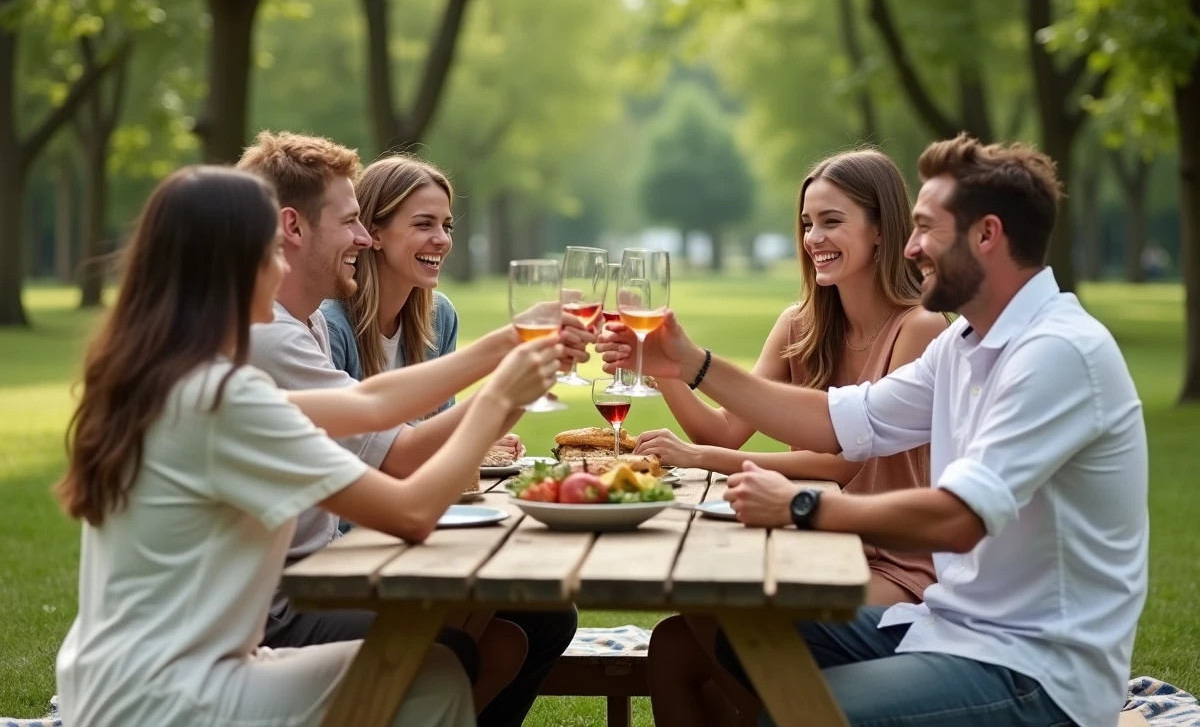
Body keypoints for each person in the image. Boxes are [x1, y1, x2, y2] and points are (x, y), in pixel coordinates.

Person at [599, 135, 1149, 727]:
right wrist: (690, 365)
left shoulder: (1058, 351)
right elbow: (837, 420)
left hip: (1034, 668)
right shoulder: (966, 345)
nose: (911, 248)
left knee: (797, 715)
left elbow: (956, 517)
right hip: (949, 628)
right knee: (731, 636)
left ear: (986, 235)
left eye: (926, 229)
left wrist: (802, 505)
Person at [55, 165, 564, 726]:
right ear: (230, 263)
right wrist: (498, 400)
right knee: (433, 677)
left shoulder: (177, 377)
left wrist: (512, 346)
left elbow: (371, 406)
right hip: (166, 697)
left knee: (433, 665)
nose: (280, 267)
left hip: (125, 677)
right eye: (271, 250)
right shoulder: (226, 395)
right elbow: (412, 512)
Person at [236, 133, 580, 726]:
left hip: (305, 582)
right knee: (449, 655)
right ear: (292, 228)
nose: (364, 237)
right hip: (269, 614)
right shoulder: (270, 340)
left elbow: (372, 405)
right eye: (352, 221)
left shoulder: (305, 324)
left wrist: (509, 346)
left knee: (504, 632)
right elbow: (402, 470)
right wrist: (507, 388)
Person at [637, 149, 948, 727]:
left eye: (832, 221)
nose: (813, 237)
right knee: (676, 645)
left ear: (881, 229)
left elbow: (846, 462)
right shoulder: (800, 324)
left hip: (896, 567)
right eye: (807, 223)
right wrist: (661, 368)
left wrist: (709, 459)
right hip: (814, 541)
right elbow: (722, 423)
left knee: (738, 628)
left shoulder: (920, 328)